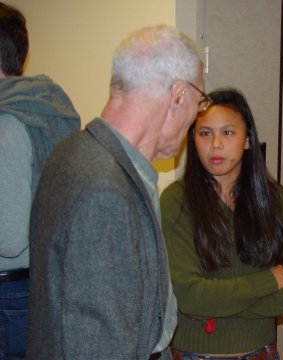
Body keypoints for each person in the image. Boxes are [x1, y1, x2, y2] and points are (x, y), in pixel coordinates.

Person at [26, 25, 203, 359]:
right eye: (199, 101)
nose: (196, 115)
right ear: (178, 96)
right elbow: (97, 344)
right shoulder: (105, 190)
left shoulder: (72, 151)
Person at [160, 88, 283, 359]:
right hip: (196, 354)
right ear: (193, 139)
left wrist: (217, 306)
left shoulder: (276, 199)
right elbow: (189, 296)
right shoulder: (177, 201)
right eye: (205, 133)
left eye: (228, 132)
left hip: (261, 352)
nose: (216, 144)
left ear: (247, 140)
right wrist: (267, 281)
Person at [0, 3, 80, 359]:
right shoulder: (41, 108)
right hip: (36, 286)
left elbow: (10, 237)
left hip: (9, 295)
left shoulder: (8, 124)